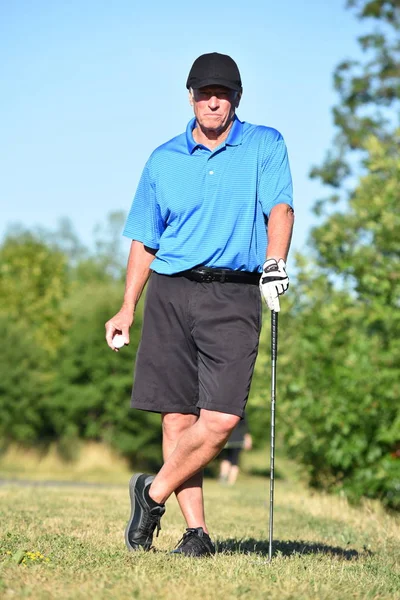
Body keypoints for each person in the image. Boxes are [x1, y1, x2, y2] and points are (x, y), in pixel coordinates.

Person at [105, 52, 294, 557]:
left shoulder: (264, 145)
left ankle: (151, 494)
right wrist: (126, 308)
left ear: (237, 97)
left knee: (222, 420)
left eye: (224, 92)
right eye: (205, 92)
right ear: (190, 96)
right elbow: (145, 239)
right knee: (176, 418)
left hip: (233, 291)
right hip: (170, 291)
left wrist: (275, 263)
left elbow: (280, 206)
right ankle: (196, 534)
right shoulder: (163, 158)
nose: (214, 100)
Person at [218, 416, 252, 485]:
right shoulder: (241, 411)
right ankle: (231, 482)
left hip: (227, 439)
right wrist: (248, 439)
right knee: (234, 461)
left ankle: (223, 477)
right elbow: (245, 426)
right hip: (238, 440)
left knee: (226, 459)